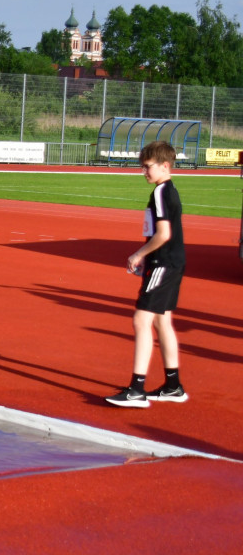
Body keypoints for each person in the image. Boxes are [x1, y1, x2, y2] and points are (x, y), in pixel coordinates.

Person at [105, 140, 188, 408]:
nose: (144, 172)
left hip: (163, 263)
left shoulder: (162, 192)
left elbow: (164, 234)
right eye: (142, 167)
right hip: (171, 262)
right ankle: (173, 386)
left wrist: (139, 254)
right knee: (162, 322)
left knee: (141, 321)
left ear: (165, 165)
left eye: (148, 167)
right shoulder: (167, 190)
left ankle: (136, 389)